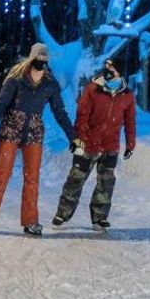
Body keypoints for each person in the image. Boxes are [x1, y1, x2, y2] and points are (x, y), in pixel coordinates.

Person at [0, 42, 80, 236]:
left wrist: (73, 137)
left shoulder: (50, 84)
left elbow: (60, 112)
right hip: (11, 129)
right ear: (31, 59)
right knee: (2, 175)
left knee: (32, 178)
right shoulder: (16, 79)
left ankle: (30, 221)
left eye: (44, 61)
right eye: (37, 60)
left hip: (34, 132)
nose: (40, 64)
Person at [51, 57, 136, 232]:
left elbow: (130, 121)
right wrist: (80, 138)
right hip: (88, 143)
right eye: (106, 66)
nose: (107, 69)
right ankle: (63, 213)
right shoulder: (92, 89)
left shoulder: (127, 95)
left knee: (106, 183)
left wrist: (130, 143)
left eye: (111, 67)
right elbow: (82, 115)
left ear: (118, 71)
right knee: (76, 179)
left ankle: (99, 218)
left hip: (110, 146)